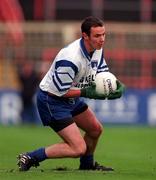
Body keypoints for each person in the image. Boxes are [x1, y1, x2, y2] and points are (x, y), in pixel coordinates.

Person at [17, 16, 125, 171]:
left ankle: (87, 166)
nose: (102, 39)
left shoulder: (97, 49)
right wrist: (87, 92)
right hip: (51, 100)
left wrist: (115, 86)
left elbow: (102, 73)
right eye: (97, 35)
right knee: (78, 148)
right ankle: (30, 156)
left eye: (103, 34)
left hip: (70, 98)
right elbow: (59, 92)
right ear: (85, 36)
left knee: (95, 129)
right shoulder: (70, 58)